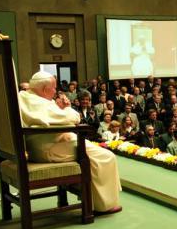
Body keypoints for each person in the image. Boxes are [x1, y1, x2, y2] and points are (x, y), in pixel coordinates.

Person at [18, 71, 121, 214]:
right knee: (106, 157)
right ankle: (102, 205)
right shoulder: (38, 102)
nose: (55, 92)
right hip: (48, 149)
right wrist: (66, 108)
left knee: (93, 152)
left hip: (40, 145)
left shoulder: (24, 96)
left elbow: (50, 118)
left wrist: (58, 108)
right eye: (53, 88)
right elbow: (74, 118)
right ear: (43, 89)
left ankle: (88, 194)